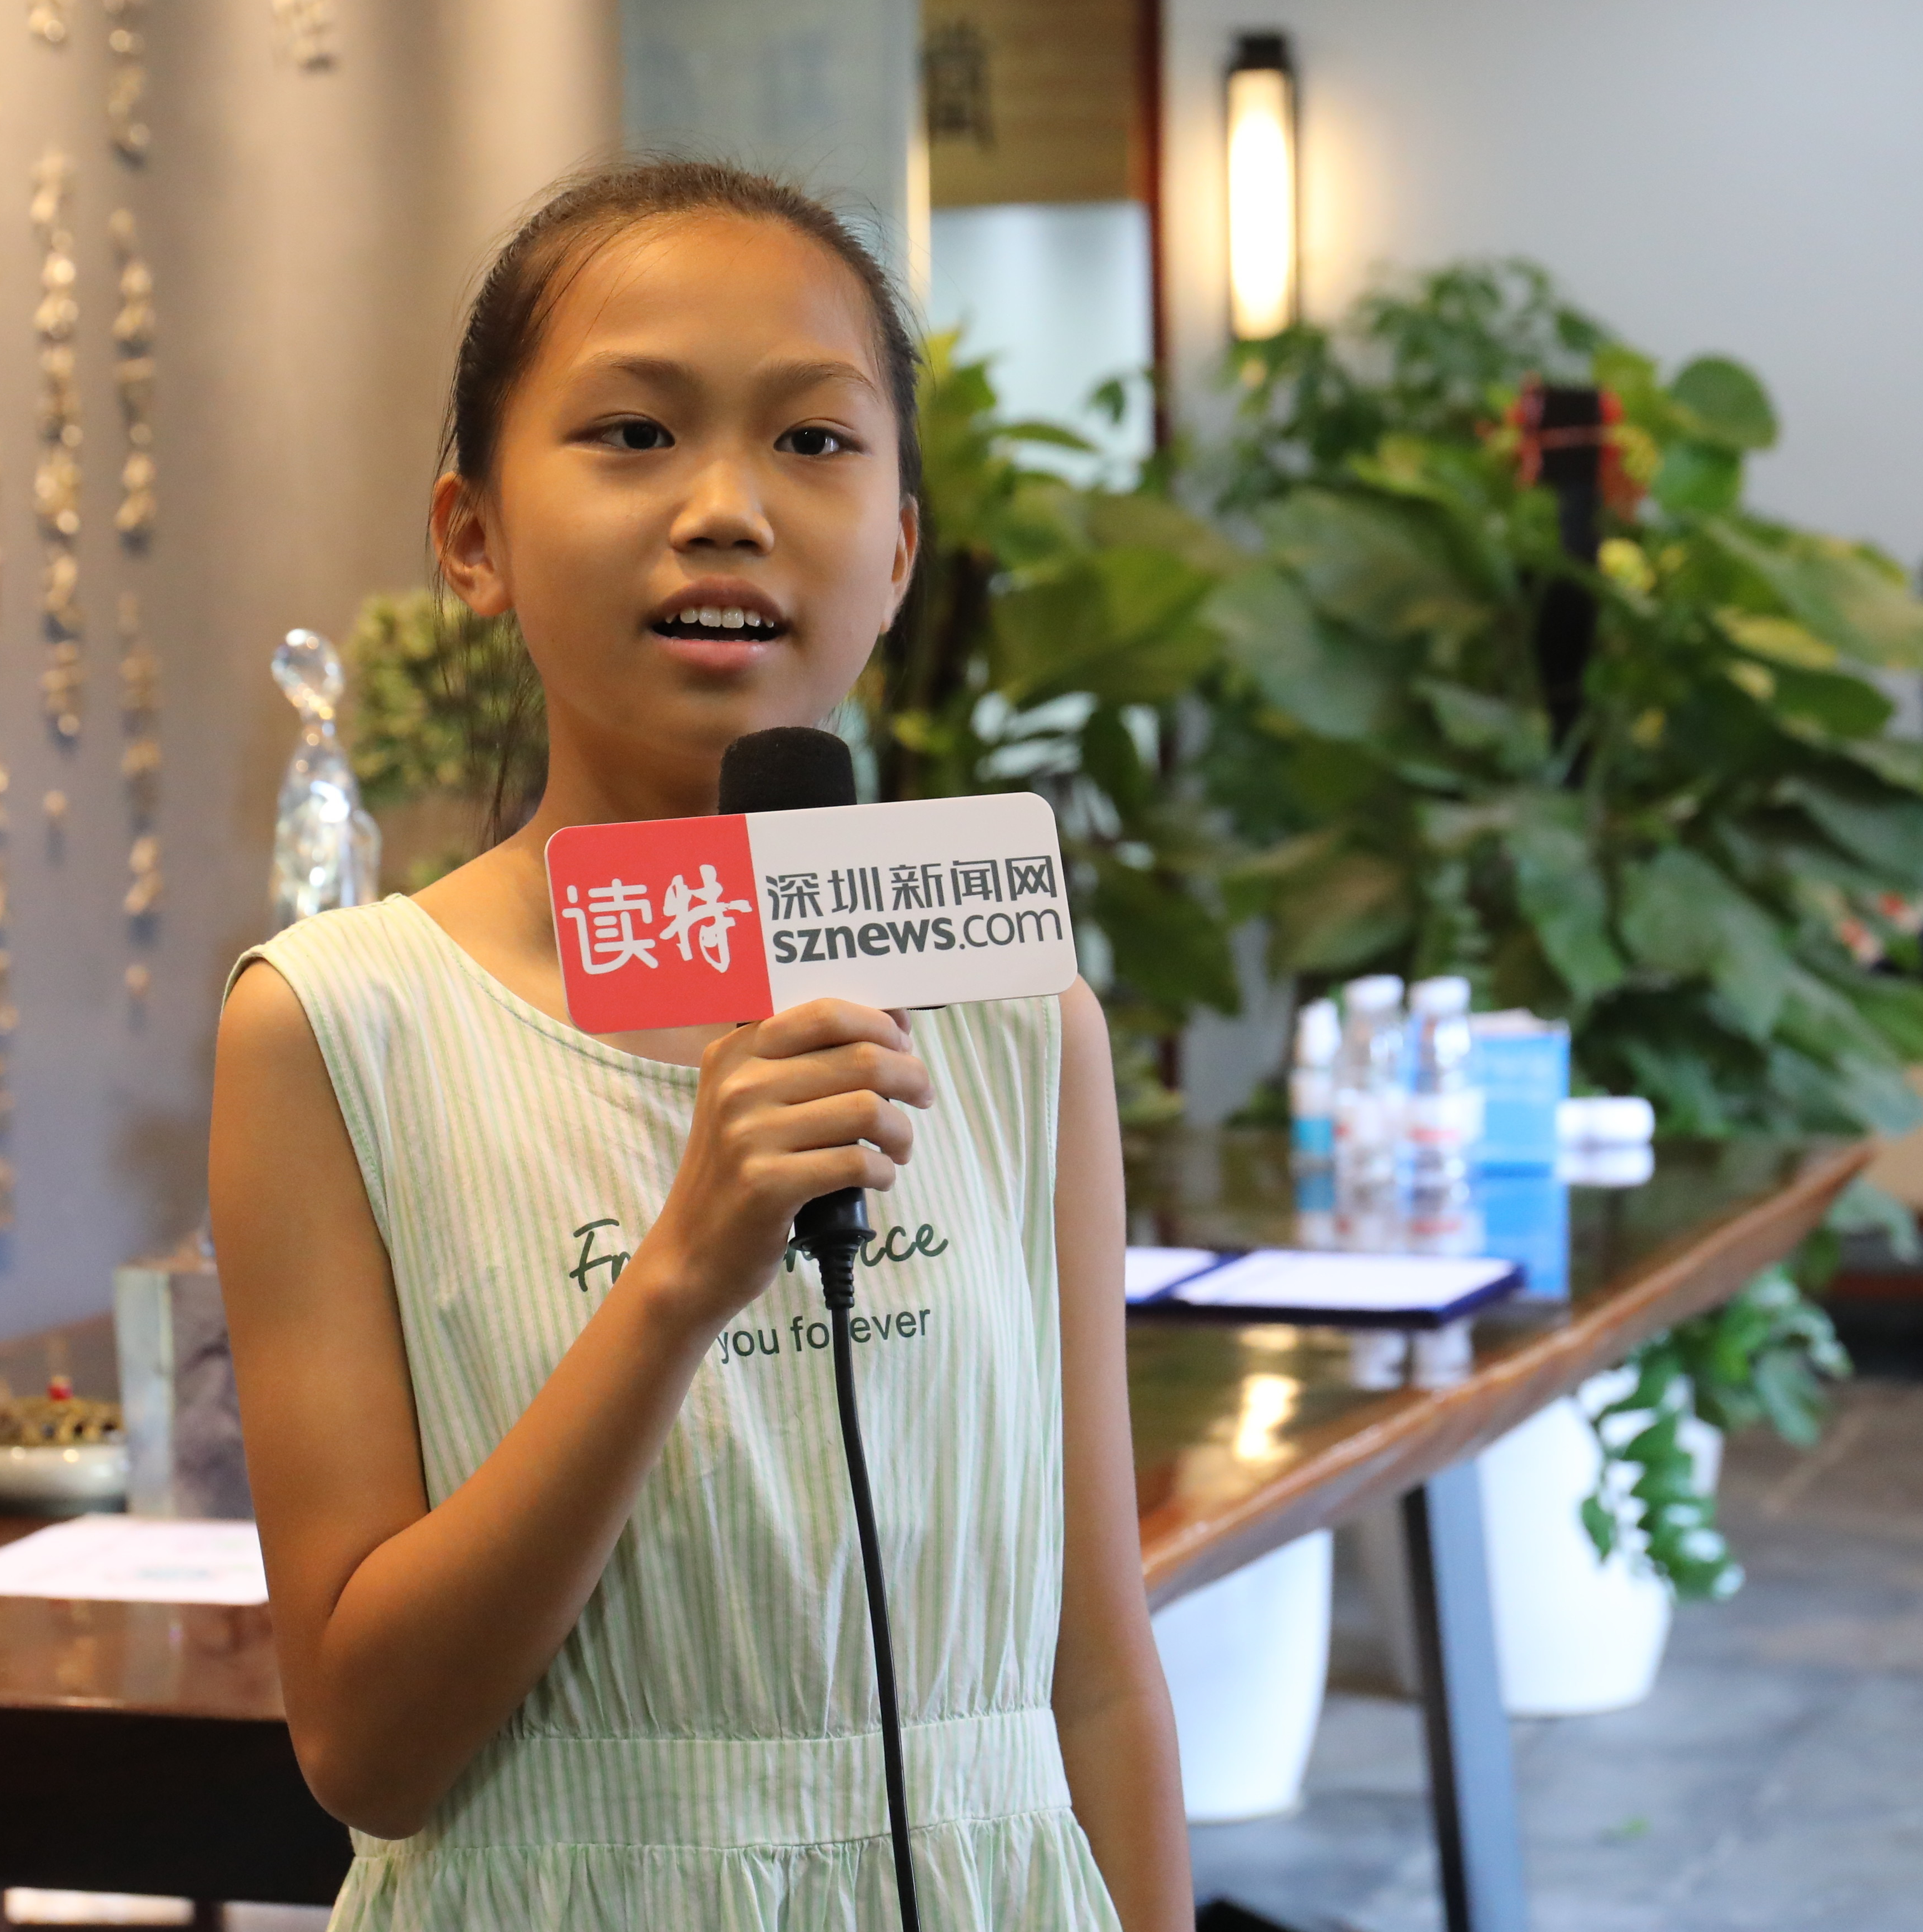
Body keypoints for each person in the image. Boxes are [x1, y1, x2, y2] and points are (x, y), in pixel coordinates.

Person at [207, 159, 1190, 1926]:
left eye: (813, 440)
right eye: (634, 433)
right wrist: (678, 1275)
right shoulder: (336, 1022)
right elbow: (365, 1747)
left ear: (896, 551)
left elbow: (1096, 1672)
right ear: (473, 538)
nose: (726, 508)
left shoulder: (1010, 1006)